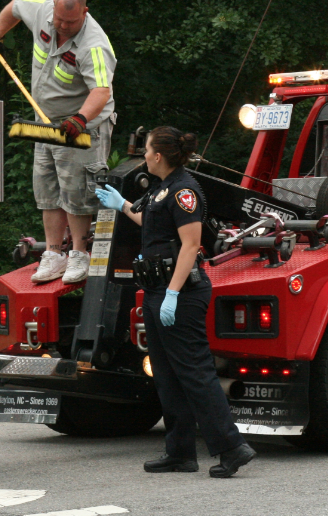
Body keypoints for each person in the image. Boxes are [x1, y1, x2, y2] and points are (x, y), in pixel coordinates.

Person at [95, 127, 256, 478]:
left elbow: (190, 244)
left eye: (147, 149)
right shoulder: (161, 187)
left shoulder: (185, 191)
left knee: (196, 373)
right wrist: (121, 205)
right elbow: (152, 224)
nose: (143, 154)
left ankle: (232, 447)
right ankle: (180, 452)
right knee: (167, 375)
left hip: (179, 293)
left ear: (158, 156)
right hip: (157, 290)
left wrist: (172, 293)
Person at [0, 0, 117, 285]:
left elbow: (101, 91)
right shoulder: (45, 11)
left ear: (84, 13)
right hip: (45, 122)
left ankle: (80, 254)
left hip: (82, 126)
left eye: (69, 22)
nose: (61, 26)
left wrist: (81, 119)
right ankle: (53, 253)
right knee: (47, 189)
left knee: (76, 191)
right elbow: (17, 2)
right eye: (59, 19)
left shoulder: (94, 45)